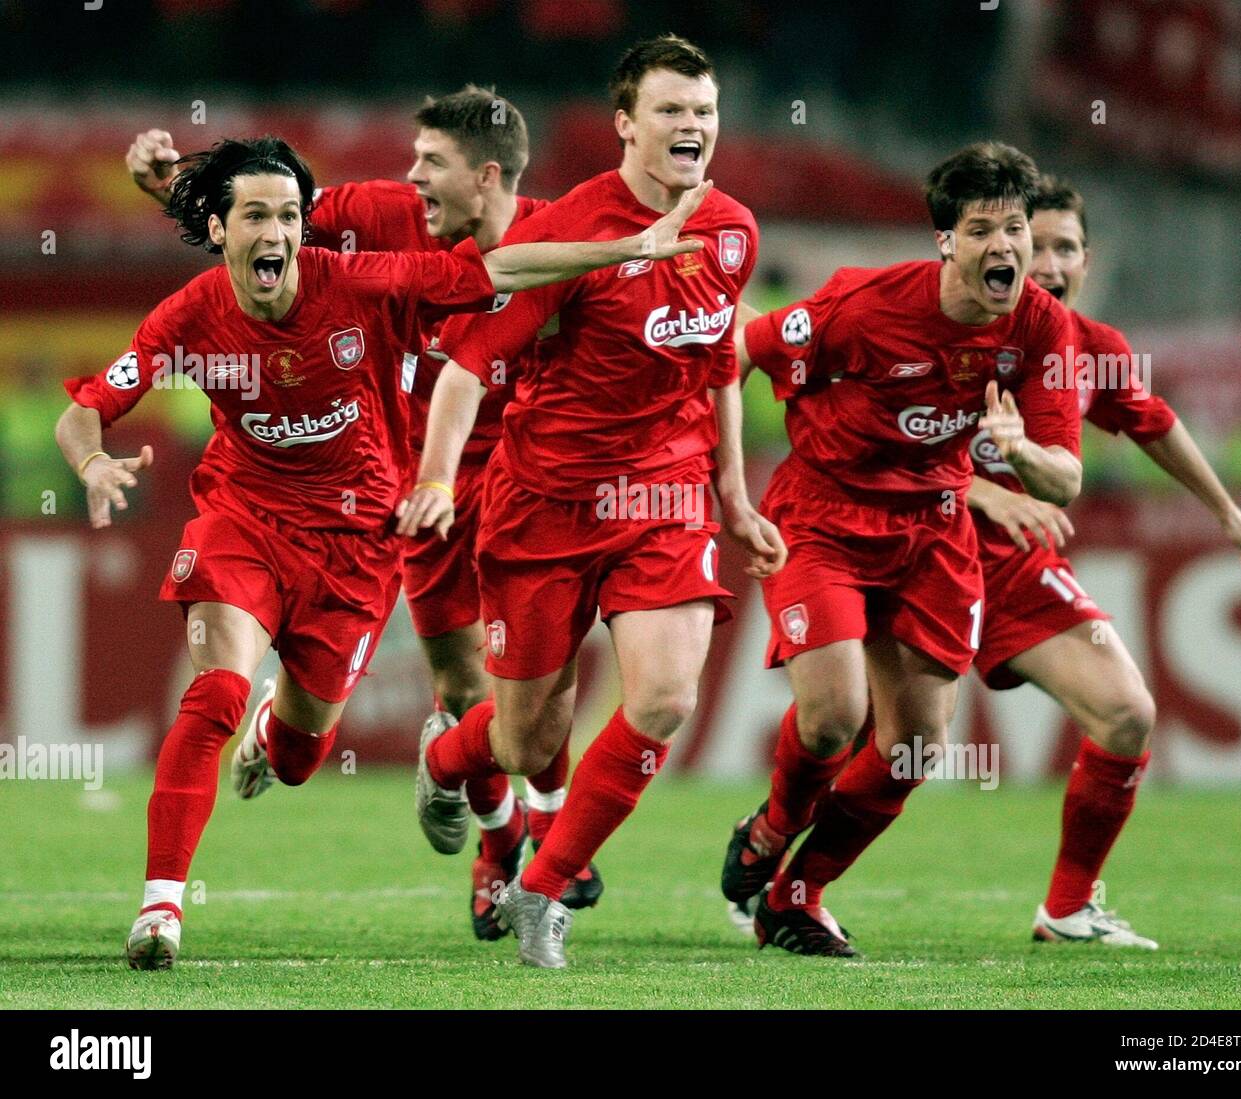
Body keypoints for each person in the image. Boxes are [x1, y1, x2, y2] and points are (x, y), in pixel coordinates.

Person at [58, 134, 709, 969]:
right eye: (256, 214)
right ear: (219, 230)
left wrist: (634, 247)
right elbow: (87, 407)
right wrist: (92, 460)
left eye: (291, 215)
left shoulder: (357, 281)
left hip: (358, 547)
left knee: (298, 759)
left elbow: (497, 272)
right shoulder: (189, 315)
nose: (278, 232)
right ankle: (160, 909)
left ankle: (279, 725)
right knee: (214, 691)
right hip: (245, 520)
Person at [125, 89, 604, 941]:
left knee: (537, 683)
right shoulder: (376, 215)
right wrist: (174, 188)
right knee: (463, 687)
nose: (410, 177)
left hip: (527, 480)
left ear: (485, 176)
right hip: (418, 482)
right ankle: (500, 849)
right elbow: (265, 216)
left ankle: (526, 825)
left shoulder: (554, 236)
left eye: (430, 165)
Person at [396, 34, 784, 968]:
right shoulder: (565, 235)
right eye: (671, 111)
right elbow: (464, 372)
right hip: (547, 504)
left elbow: (720, 357)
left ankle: (545, 887)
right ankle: (449, 759)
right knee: (530, 737)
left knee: (664, 696)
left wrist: (731, 488)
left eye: (705, 110)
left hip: (665, 494)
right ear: (624, 125)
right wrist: (441, 479)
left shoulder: (732, 228)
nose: (693, 126)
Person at [719, 142, 1082, 956]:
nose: (1006, 247)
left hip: (932, 531)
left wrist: (1019, 454)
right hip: (824, 516)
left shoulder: (1044, 329)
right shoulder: (863, 303)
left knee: (915, 746)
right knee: (833, 719)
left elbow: (1063, 480)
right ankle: (774, 825)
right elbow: (741, 351)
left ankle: (797, 896)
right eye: (982, 228)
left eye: (1016, 228)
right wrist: (726, 482)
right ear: (945, 241)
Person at [964, 177, 1241, 948]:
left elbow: (1154, 422)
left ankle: (1067, 907)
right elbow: (875, 439)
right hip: (914, 552)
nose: (1046, 261)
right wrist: (984, 489)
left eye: (1064, 246)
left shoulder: (1088, 349)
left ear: (1086, 258)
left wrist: (1226, 512)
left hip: (1013, 569)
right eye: (1031, 244)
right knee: (854, 729)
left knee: (1127, 711)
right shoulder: (948, 331)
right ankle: (772, 855)